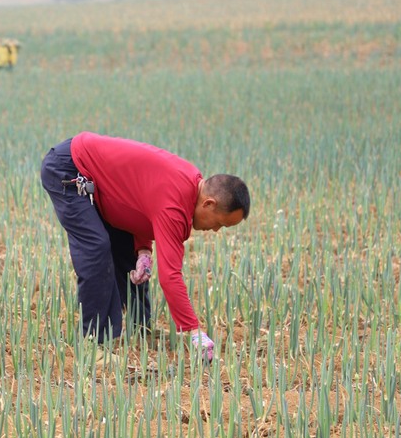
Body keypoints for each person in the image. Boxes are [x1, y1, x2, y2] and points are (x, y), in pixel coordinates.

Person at [41, 132, 250, 364]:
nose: (216, 230)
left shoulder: (190, 183)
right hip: (69, 168)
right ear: (208, 203)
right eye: (219, 223)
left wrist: (143, 250)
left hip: (99, 181)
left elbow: (138, 204)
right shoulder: (176, 205)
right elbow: (170, 277)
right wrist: (194, 331)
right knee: (97, 248)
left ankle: (140, 328)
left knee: (124, 244)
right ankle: (92, 347)